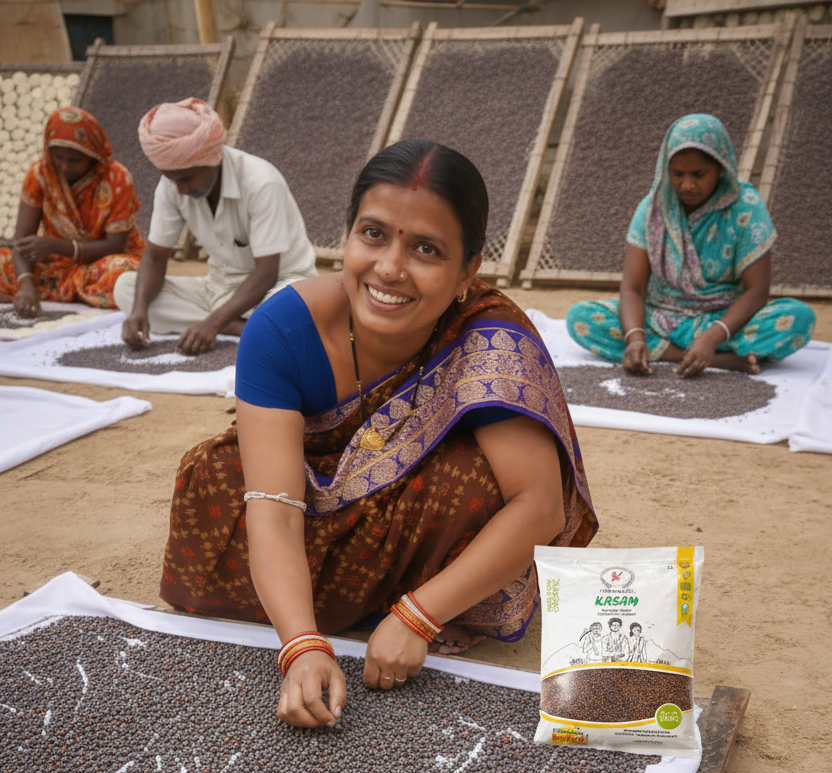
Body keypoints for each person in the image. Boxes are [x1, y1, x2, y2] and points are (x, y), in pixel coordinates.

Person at [160, 139, 598, 727]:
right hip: (311, 514)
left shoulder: (486, 341)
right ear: (346, 237)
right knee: (219, 474)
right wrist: (301, 645)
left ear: (469, 270)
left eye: (426, 249)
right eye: (373, 234)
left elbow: (541, 506)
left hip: (415, 527)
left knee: (475, 483)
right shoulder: (282, 329)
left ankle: (399, 605)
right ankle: (318, 609)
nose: (390, 268)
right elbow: (275, 508)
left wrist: (419, 615)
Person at [566, 113, 815, 379]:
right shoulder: (652, 208)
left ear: (720, 168)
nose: (687, 185)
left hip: (723, 320)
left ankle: (698, 351)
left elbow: (756, 291)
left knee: (798, 318)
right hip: (660, 318)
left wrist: (712, 336)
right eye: (677, 174)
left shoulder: (746, 207)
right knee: (580, 318)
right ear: (666, 169)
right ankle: (721, 361)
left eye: (699, 174)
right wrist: (636, 339)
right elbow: (632, 288)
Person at [114, 97, 317, 356]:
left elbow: (267, 271)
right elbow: (155, 255)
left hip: (279, 284)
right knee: (126, 289)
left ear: (212, 157)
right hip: (220, 289)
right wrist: (139, 310)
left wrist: (212, 323)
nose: (181, 189)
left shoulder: (261, 181)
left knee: (289, 308)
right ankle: (243, 327)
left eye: (187, 178)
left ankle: (233, 323)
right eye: (171, 179)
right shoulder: (172, 185)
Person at [0, 106, 144, 315]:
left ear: (92, 155)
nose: (65, 167)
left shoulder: (117, 180)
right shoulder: (40, 174)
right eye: (59, 158)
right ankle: (72, 292)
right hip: (55, 265)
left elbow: (115, 245)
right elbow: (22, 241)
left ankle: (69, 290)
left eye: (74, 160)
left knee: (128, 274)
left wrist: (57, 246)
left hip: (100, 263)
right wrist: (26, 283)